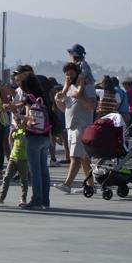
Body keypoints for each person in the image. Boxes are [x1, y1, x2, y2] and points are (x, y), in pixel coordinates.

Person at [12, 66, 52, 210]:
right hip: (45, 136)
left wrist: (18, 116)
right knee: (44, 170)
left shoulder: (29, 98)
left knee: (35, 172)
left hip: (33, 137)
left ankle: (36, 200)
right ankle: (45, 201)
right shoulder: (43, 95)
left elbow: (29, 119)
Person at [55, 61, 97, 194]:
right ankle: (91, 186)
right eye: (66, 74)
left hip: (82, 126)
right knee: (84, 159)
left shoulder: (87, 86)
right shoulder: (68, 88)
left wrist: (80, 96)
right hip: (71, 127)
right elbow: (65, 109)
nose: (69, 76)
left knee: (75, 156)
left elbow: (92, 105)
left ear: (77, 73)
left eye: (71, 73)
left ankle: (67, 184)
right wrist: (58, 101)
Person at [0, 121, 29, 206]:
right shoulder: (16, 131)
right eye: (18, 122)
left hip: (23, 159)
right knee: (6, 178)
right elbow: (10, 143)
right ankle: (1, 197)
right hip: (13, 158)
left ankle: (23, 199)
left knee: (24, 180)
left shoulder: (27, 132)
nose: (19, 124)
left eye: (21, 122)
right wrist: (11, 133)